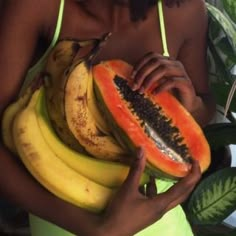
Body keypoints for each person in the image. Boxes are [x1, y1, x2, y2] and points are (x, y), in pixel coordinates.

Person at [0, 0, 215, 235]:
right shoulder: (35, 6)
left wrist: (192, 105)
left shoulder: (184, 11)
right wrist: (92, 228)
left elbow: (204, 107)